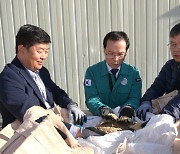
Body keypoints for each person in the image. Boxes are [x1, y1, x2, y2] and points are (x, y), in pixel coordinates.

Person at [0, 24, 99, 139]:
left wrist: (71, 105)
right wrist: (75, 132)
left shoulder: (41, 72)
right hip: (31, 136)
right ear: (21, 49)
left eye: (46, 51)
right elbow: (33, 116)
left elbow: (55, 92)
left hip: (55, 125)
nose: (44, 56)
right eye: (40, 51)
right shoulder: (8, 78)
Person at [84, 31, 142, 119]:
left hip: (126, 118)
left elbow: (135, 97)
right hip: (100, 117)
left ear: (126, 52)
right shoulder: (92, 72)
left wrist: (129, 107)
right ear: (104, 50)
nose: (115, 59)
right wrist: (102, 109)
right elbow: (91, 98)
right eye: (110, 53)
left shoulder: (133, 73)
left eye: (120, 54)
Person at [137, 23, 180, 121]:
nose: (176, 49)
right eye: (173, 44)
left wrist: (166, 115)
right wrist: (146, 101)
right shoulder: (170, 66)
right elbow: (157, 86)